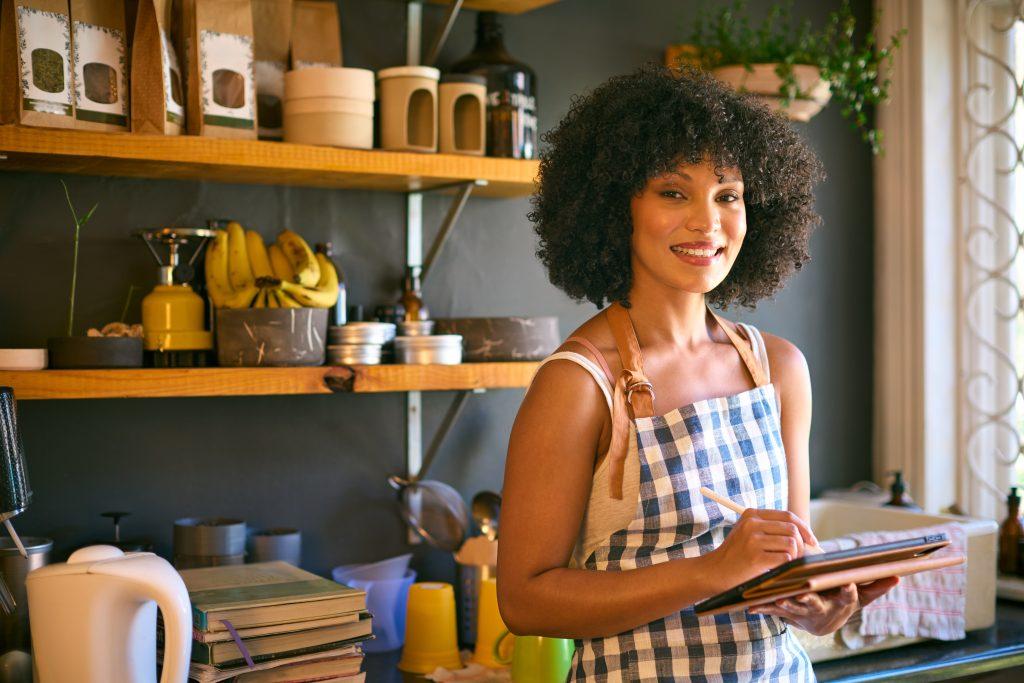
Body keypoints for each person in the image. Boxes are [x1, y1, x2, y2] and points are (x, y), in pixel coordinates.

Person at [497, 66, 898, 681]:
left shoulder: (779, 370)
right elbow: (524, 601)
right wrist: (712, 570)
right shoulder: (579, 383)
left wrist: (819, 607)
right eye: (673, 192)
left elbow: (786, 568)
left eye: (727, 194)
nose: (707, 223)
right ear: (614, 206)